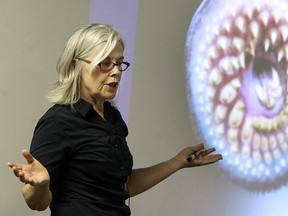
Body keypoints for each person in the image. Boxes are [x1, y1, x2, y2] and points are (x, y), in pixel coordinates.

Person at [7, 23, 223, 216]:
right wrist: (41, 185)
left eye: (120, 63)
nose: (116, 72)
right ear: (76, 66)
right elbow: (35, 202)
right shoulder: (58, 122)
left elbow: (123, 185)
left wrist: (177, 162)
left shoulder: (111, 116)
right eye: (105, 64)